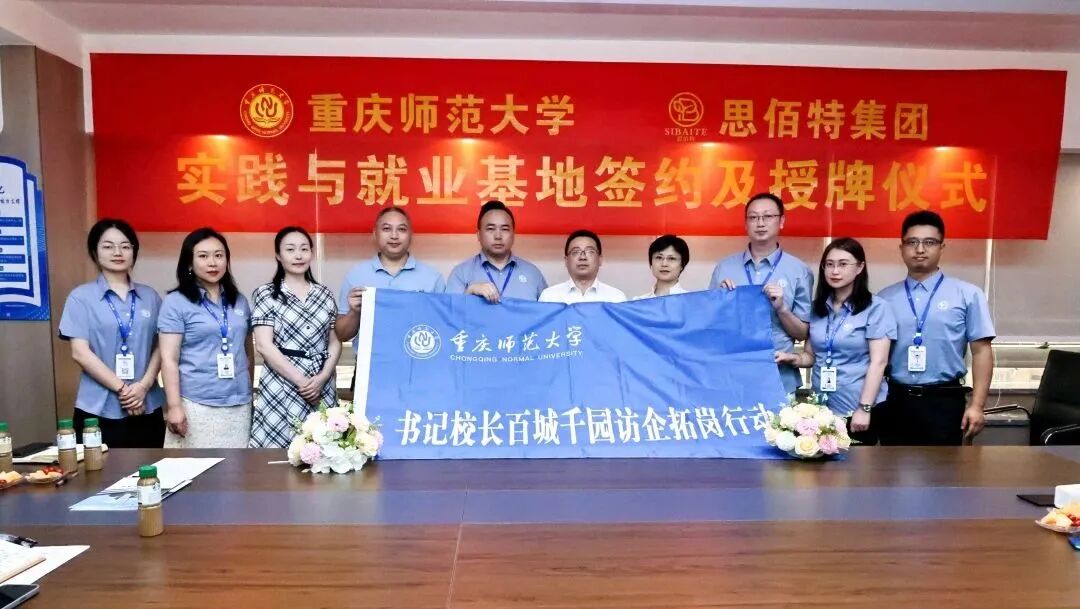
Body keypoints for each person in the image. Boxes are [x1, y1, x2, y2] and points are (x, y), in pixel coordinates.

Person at [878, 210, 995, 446]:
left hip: (944, 401)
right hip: (895, 400)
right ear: (901, 248)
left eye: (929, 242)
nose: (920, 249)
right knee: (891, 467)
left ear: (942, 247)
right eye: (912, 242)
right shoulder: (884, 299)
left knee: (944, 468)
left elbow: (981, 351)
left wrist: (977, 405)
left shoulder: (968, 295)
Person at [775, 238, 896, 444]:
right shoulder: (818, 308)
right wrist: (791, 358)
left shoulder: (876, 308)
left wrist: (864, 408)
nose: (835, 271)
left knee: (859, 464)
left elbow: (879, 362)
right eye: (829, 264)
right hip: (822, 411)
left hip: (858, 409)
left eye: (843, 264)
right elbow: (811, 356)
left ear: (860, 267)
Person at [57, 219, 166, 448]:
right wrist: (124, 390)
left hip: (147, 403)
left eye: (125, 246)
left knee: (151, 467)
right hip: (97, 407)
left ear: (134, 251)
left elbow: (161, 346)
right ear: (95, 252)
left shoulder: (150, 296)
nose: (118, 252)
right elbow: (80, 353)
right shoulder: (80, 297)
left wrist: (144, 386)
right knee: (97, 469)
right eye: (108, 246)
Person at [158, 228, 254, 448]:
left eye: (219, 255)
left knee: (237, 468)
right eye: (203, 256)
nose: (213, 262)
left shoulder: (239, 301)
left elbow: (247, 351)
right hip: (196, 403)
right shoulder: (176, 302)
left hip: (239, 404)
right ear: (189, 263)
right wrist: (174, 406)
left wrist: (248, 390)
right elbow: (169, 359)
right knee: (196, 467)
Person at [711, 192, 813, 395]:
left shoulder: (798, 271)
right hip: (733, 375)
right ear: (745, 223)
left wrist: (782, 309)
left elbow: (802, 333)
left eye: (767, 216)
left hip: (779, 375)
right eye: (753, 217)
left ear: (781, 221)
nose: (760, 223)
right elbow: (711, 326)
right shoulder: (724, 268)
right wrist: (721, 303)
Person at [249, 227, 341, 448]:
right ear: (278, 256)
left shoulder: (325, 294)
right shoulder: (266, 294)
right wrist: (302, 382)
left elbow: (335, 341)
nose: (298, 255)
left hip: (321, 382)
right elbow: (264, 345)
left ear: (311, 253)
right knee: (276, 453)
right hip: (282, 381)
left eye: (304, 249)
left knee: (324, 449)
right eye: (290, 250)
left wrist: (322, 378)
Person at [336, 207, 444, 349]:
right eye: (386, 229)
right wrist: (354, 312)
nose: (394, 236)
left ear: (410, 235)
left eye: (402, 229)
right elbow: (342, 335)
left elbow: (444, 329)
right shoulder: (356, 275)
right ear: (375, 234)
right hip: (369, 361)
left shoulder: (432, 278)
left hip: (418, 359)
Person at [447, 200, 547, 302]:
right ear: (479, 235)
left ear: (513, 235)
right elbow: (449, 310)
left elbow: (548, 310)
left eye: (505, 229)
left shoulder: (532, 274)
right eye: (490, 229)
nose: (498, 236)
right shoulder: (461, 273)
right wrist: (469, 292)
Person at [540, 230, 627, 304]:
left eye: (590, 252)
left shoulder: (616, 298)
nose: (582, 257)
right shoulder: (549, 297)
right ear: (566, 261)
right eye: (575, 252)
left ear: (600, 259)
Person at [634, 234, 691, 300]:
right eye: (659, 257)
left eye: (671, 258)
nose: (664, 264)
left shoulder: (691, 301)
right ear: (651, 263)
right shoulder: (638, 302)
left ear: (682, 265)